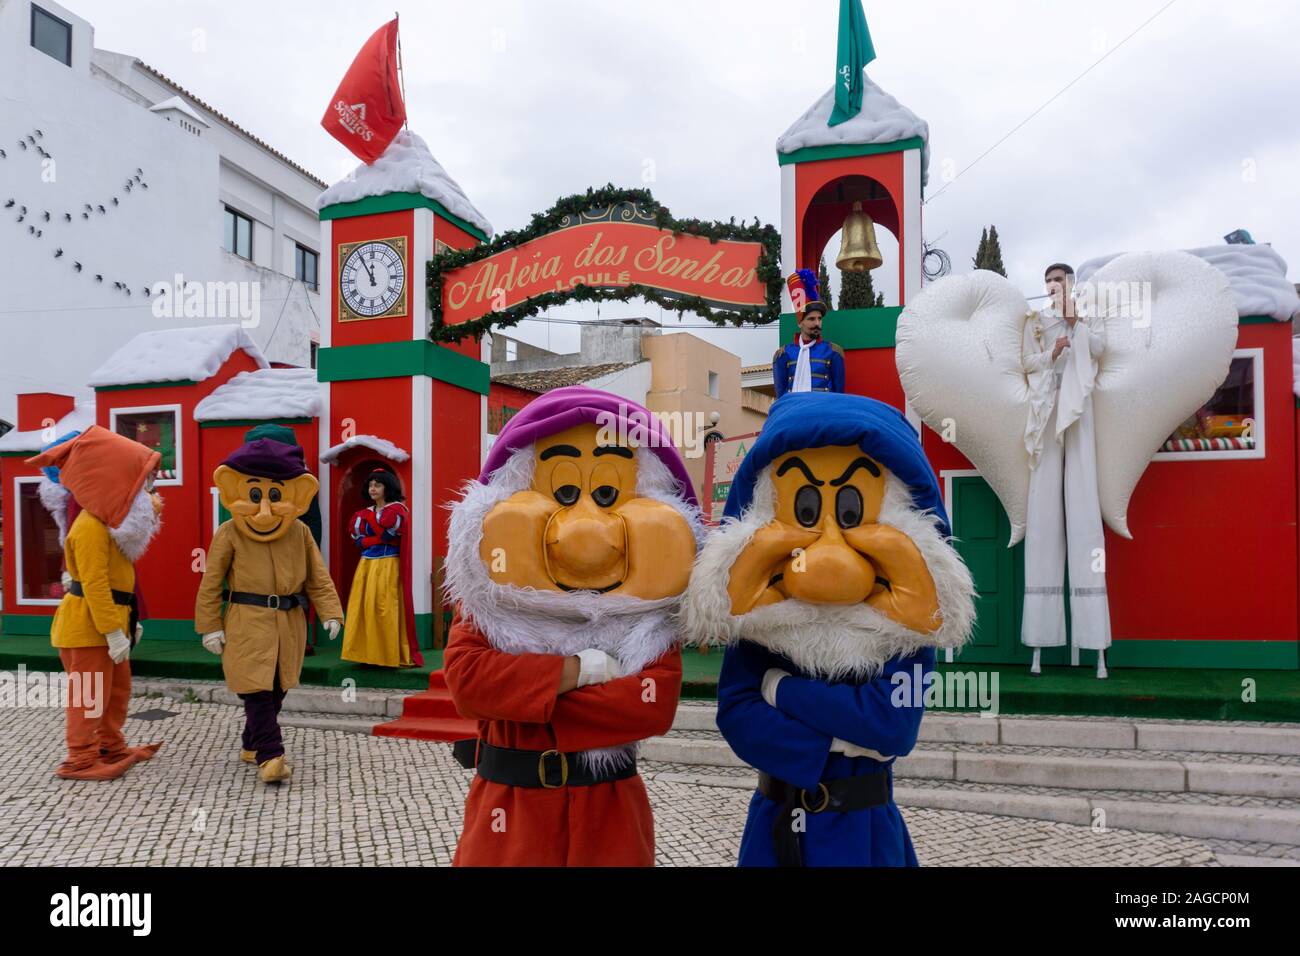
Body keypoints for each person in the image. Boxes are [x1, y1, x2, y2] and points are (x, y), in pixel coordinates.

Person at [680, 393, 976, 866]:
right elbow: (738, 719)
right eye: (805, 510)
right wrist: (846, 739)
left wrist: (779, 690)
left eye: (852, 512)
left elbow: (893, 728)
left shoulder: (904, 635)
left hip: (865, 832)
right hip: (774, 829)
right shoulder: (762, 630)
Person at [442, 386, 701, 866]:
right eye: (562, 492)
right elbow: (468, 682)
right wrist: (583, 670)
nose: (585, 527)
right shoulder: (490, 600)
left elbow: (651, 705)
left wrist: (526, 690)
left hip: (608, 815)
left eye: (608, 494)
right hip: (509, 815)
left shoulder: (648, 615)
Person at [195, 438, 343, 783]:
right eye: (256, 493)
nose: (264, 508)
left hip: (289, 623)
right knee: (256, 690)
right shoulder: (229, 532)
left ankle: (251, 743)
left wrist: (331, 612)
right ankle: (270, 755)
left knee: (277, 688)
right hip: (247, 620)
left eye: (275, 495)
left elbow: (318, 578)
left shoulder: (300, 532)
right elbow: (211, 582)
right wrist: (209, 626)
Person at [26, 426, 165, 780]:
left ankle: (111, 745)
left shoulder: (110, 525)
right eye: (143, 480)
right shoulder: (89, 526)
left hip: (108, 624)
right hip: (87, 629)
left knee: (117, 690)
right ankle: (80, 758)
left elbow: (121, 583)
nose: (150, 488)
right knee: (88, 695)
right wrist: (112, 631)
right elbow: (95, 585)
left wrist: (129, 621)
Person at [1020, 262, 1112, 678]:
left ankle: (1095, 645)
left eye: (1060, 280)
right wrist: (1051, 353)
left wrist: (1075, 322)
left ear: (1071, 284)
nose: (1054, 286)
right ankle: (1039, 642)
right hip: (1046, 411)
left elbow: (1098, 349)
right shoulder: (1035, 321)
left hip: (1080, 414)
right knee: (1043, 518)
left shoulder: (1087, 315)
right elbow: (1028, 363)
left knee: (1084, 511)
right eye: (1049, 281)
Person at [340, 469, 422, 668]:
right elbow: (359, 542)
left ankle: (386, 655)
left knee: (384, 608)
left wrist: (369, 540)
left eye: (377, 485)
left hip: (388, 565)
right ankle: (367, 654)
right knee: (364, 607)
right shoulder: (364, 514)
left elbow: (384, 537)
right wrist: (370, 540)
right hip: (366, 565)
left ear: (388, 487)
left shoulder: (396, 511)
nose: (373, 489)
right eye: (370, 485)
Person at [773, 268, 845, 398]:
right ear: (800, 323)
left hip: (823, 412)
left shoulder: (833, 352)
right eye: (811, 319)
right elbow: (781, 396)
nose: (817, 323)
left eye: (819, 319)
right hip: (793, 411)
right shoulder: (783, 354)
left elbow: (838, 394)